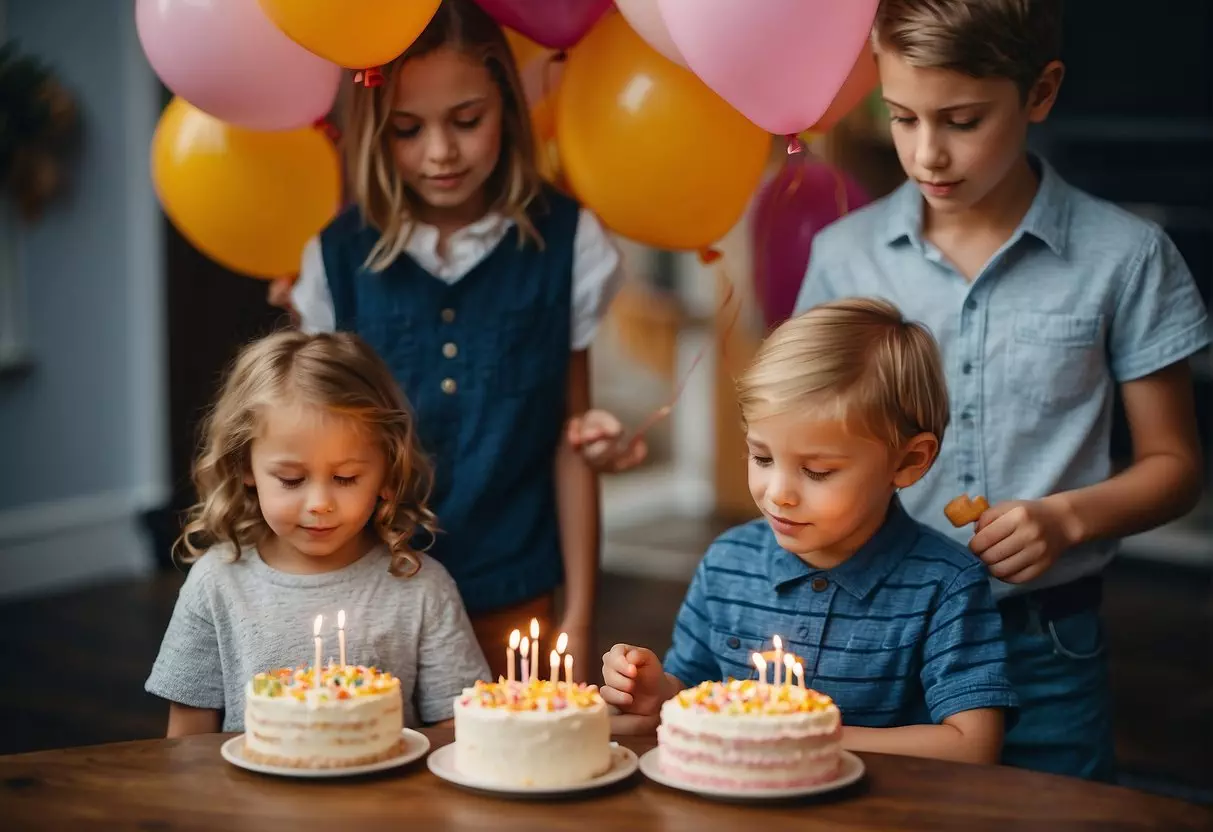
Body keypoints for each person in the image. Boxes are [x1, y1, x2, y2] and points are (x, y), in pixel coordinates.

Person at [794, 0, 1210, 781]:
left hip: (1042, 645)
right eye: (902, 117)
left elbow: (1174, 465)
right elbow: (803, 445)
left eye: (960, 120)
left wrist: (1066, 517)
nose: (927, 155)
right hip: (869, 634)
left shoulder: (1125, 257)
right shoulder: (842, 258)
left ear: (1040, 92)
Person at [275, 0, 646, 678]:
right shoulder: (335, 257)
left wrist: (581, 615)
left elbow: (573, 444)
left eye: (466, 121)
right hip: (371, 589)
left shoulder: (568, 242)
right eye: (407, 130)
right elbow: (312, 447)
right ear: (373, 130)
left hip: (514, 586)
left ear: (506, 105)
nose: (440, 152)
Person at [602, 299, 1018, 765]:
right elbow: (688, 693)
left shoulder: (946, 583)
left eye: (817, 471)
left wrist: (803, 732)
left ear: (908, 461)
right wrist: (655, 689)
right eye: (761, 457)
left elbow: (972, 744)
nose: (778, 493)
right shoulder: (728, 562)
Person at [145, 330, 489, 736]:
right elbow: (187, 740)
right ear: (245, 467)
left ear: (387, 473)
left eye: (346, 478)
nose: (319, 503)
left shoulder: (421, 588)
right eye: (291, 479)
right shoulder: (216, 584)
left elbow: (459, 730)